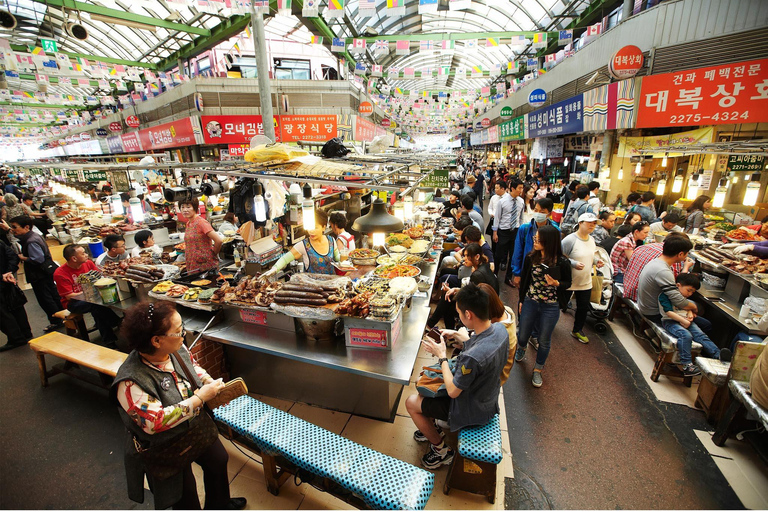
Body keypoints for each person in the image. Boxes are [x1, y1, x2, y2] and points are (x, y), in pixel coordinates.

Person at [112, 301, 247, 510]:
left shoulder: (175, 347)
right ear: (157, 340)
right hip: (166, 445)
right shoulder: (130, 383)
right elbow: (154, 422)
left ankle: (219, 506)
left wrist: (208, 382)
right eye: (178, 331)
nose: (183, 334)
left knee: (218, 460)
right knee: (185, 495)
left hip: (195, 427)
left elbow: (192, 367)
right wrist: (200, 398)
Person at [406, 283, 508, 469]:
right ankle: (431, 426)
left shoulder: (472, 358)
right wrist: (456, 335)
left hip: (470, 408)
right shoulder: (500, 330)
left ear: (468, 315)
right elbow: (482, 348)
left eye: (459, 313)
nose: (458, 317)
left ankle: (441, 451)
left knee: (412, 402)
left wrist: (442, 356)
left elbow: (453, 391)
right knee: (424, 390)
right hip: (487, 398)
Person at [514, 225, 573, 387]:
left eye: (538, 240)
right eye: (535, 238)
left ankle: (538, 369)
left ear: (549, 242)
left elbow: (568, 283)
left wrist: (557, 283)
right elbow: (525, 281)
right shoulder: (531, 258)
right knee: (523, 334)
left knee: (544, 340)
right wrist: (521, 300)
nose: (535, 241)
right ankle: (522, 347)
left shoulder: (562, 262)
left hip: (551, 306)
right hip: (530, 301)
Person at [53, 244, 121, 346]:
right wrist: (88, 291)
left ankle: (110, 341)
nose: (86, 255)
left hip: (93, 297)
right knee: (97, 306)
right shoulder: (60, 273)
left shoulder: (88, 263)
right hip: (74, 303)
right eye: (83, 253)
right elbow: (69, 296)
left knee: (98, 310)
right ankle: (118, 322)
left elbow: (99, 279)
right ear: (74, 258)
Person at [659, 273, 721, 376]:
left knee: (701, 335)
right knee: (686, 335)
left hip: (685, 320)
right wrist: (684, 321)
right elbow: (668, 312)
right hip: (670, 321)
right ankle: (687, 365)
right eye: (689, 290)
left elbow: (686, 306)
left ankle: (718, 355)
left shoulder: (682, 296)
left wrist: (690, 313)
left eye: (693, 292)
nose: (690, 294)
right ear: (678, 285)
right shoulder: (665, 295)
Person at [427, 243, 499, 330]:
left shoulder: (477, 274)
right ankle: (444, 330)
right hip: (484, 303)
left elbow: (469, 297)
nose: (464, 259)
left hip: (483, 310)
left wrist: (453, 291)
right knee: (448, 298)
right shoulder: (483, 266)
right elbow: (471, 290)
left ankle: (432, 325)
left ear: (477, 257)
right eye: (464, 255)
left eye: (467, 256)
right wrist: (454, 290)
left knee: (447, 301)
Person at [9, 216, 63, 332]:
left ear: (26, 227)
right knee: (53, 295)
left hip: (39, 274)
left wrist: (23, 258)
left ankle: (56, 321)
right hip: (45, 272)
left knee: (46, 298)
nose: (13, 230)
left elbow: (38, 259)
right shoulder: (33, 236)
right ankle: (62, 316)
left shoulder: (31, 241)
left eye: (15, 227)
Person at [561, 212, 603, 344]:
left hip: (586, 281)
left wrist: (596, 261)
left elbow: (591, 255)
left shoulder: (591, 240)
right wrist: (573, 263)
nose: (592, 226)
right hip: (568, 281)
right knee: (559, 304)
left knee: (583, 307)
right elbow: (560, 257)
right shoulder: (569, 240)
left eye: (594, 223)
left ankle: (577, 330)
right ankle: (546, 327)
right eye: (589, 223)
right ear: (580, 223)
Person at [269, 209, 339, 275]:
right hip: (312, 286)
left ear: (324, 227)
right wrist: (274, 269)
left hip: (332, 285)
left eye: (315, 227)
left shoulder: (331, 241)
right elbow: (285, 259)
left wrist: (347, 259)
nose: (311, 231)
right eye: (309, 227)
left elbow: (338, 259)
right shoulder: (304, 245)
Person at [510, 198, 559, 287]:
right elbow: (518, 252)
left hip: (547, 273)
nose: (538, 214)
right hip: (528, 270)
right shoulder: (524, 229)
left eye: (542, 212)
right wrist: (517, 273)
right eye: (536, 210)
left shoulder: (555, 231)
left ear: (549, 214)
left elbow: (557, 252)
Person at [0, 239, 32, 351]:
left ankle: (16, 338)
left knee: (3, 314)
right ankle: (26, 333)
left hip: (3, 280)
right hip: (8, 280)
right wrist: (9, 272)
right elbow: (13, 257)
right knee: (16, 307)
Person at [493, 178, 524, 285]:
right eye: (519, 188)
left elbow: (521, 218)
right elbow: (497, 217)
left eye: (522, 188)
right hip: (503, 231)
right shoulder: (502, 201)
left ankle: (508, 277)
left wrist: (520, 231)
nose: (521, 190)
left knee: (513, 256)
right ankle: (494, 275)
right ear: (512, 188)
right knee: (499, 255)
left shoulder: (521, 201)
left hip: (515, 232)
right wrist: (495, 232)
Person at [178, 200, 222, 274]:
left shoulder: (201, 222)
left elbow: (218, 241)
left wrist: (212, 254)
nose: (185, 210)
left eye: (188, 207)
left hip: (204, 265)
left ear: (195, 208)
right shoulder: (188, 223)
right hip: (193, 264)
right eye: (182, 207)